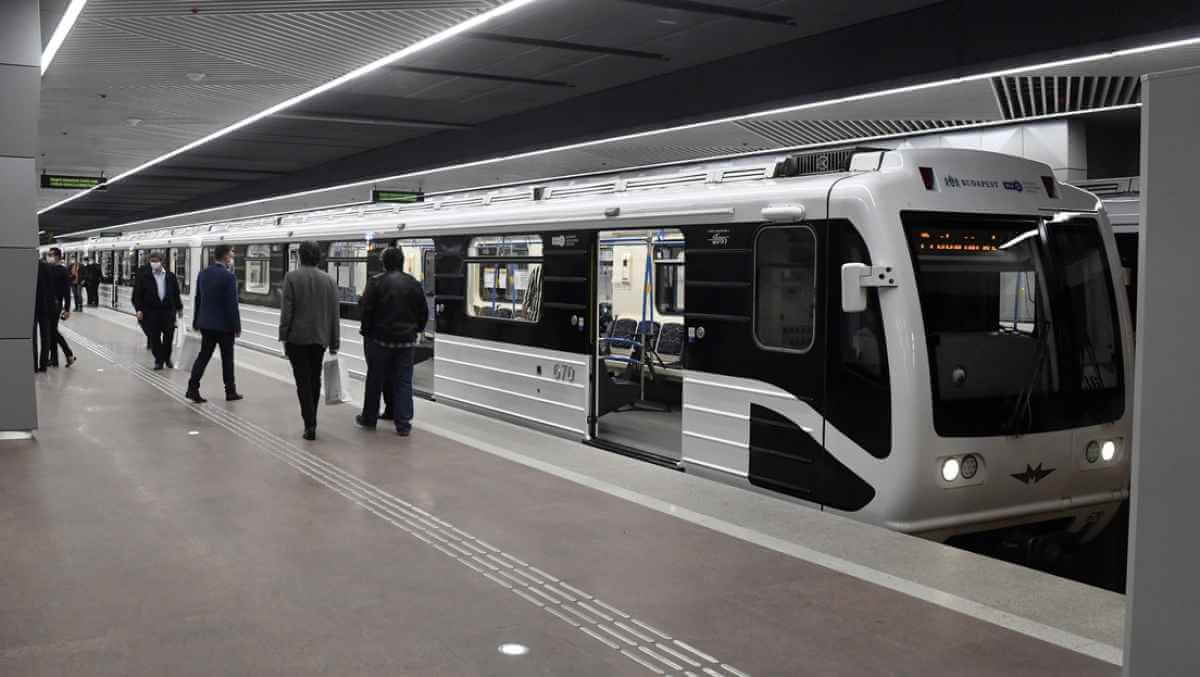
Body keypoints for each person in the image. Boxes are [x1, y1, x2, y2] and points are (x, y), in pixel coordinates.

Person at [356, 247, 428, 436]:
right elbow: (423, 312)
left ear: (384, 263)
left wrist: (367, 332)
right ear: (402, 262)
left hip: (380, 341)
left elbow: (367, 311)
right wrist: (416, 330)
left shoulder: (375, 282)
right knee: (403, 381)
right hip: (406, 343)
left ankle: (369, 418)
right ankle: (403, 424)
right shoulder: (413, 283)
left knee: (375, 380)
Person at [278, 241, 340, 441]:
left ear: (300, 256)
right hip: (320, 339)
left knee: (302, 381)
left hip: (297, 338)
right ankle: (312, 419)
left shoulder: (292, 277)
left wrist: (283, 335)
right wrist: (334, 342)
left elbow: (287, 311)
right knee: (315, 379)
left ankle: (310, 423)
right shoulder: (329, 280)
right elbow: (334, 314)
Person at [186, 245, 243, 403]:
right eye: (231, 254)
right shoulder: (229, 277)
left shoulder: (203, 274)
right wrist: (237, 326)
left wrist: (196, 321)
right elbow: (232, 305)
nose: (232, 256)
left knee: (203, 356)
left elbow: (198, 299)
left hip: (206, 324)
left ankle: (192, 388)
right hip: (225, 326)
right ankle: (230, 391)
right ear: (225, 256)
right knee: (227, 359)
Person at [133, 251, 184, 370]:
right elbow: (137, 295)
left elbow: (176, 294)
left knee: (169, 337)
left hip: (168, 312)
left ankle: (167, 357)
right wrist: (139, 309)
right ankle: (159, 360)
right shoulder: (144, 277)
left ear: (161, 262)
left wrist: (179, 308)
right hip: (151, 312)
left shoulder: (171, 276)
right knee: (154, 338)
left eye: (156, 261)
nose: (154, 263)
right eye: (152, 261)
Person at [44, 248, 76, 368]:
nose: (48, 257)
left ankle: (68, 354)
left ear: (57, 256)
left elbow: (67, 291)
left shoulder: (62, 270)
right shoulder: (48, 268)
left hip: (56, 305)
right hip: (47, 303)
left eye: (50, 255)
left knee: (52, 331)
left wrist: (67, 309)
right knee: (52, 331)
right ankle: (54, 359)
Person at [33, 255, 57, 372]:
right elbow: (51, 289)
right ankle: (43, 365)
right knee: (45, 337)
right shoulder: (47, 267)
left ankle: (33, 366)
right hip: (45, 307)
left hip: (32, 307)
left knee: (32, 337)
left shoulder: (27, 266)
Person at [131, 259, 154, 350]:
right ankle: (152, 339)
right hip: (148, 303)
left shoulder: (141, 271)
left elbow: (136, 292)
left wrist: (138, 308)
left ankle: (151, 340)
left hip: (146, 304)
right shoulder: (142, 271)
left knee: (146, 323)